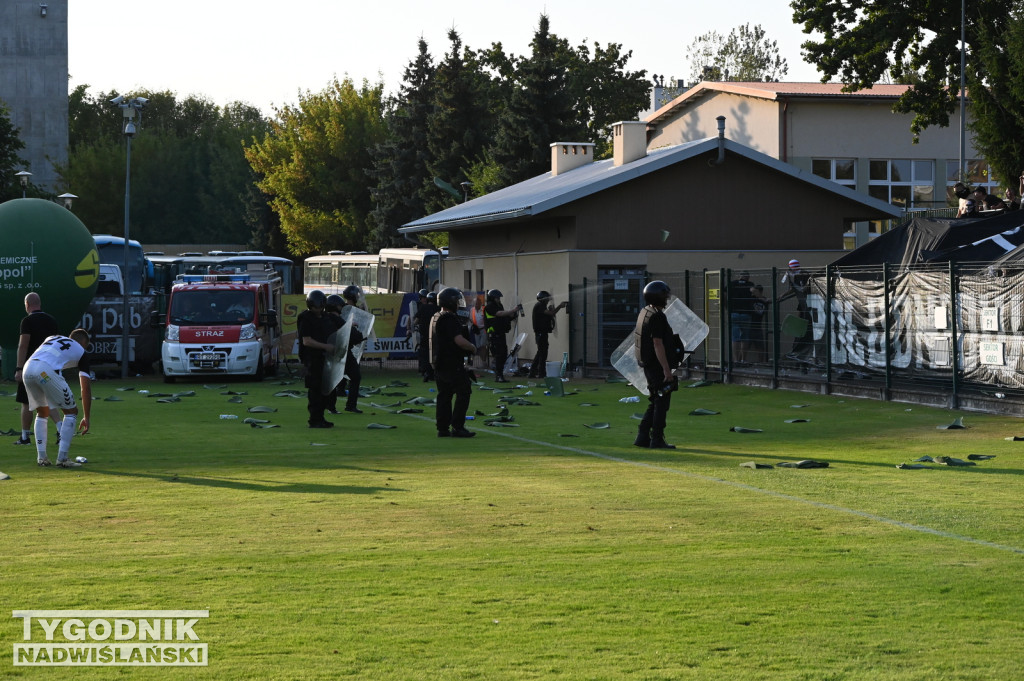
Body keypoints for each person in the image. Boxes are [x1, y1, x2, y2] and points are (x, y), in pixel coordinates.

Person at [22, 329, 93, 467]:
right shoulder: (82, 352)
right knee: (71, 412)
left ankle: (42, 458)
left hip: (28, 368)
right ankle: (62, 459)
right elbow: (85, 388)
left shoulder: (52, 337)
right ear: (83, 343)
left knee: (42, 412)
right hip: (44, 371)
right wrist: (87, 417)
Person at [633, 281, 677, 450]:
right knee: (661, 402)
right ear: (659, 296)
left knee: (656, 399)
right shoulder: (657, 316)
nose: (667, 298)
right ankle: (657, 438)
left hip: (648, 364)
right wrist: (667, 370)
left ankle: (642, 435)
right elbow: (657, 344)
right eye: (665, 295)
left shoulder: (646, 312)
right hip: (656, 366)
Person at [429, 287, 477, 438]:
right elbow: (459, 340)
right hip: (451, 364)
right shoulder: (449, 318)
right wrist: (472, 347)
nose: (458, 304)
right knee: (464, 392)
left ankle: (442, 428)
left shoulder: (436, 316)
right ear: (450, 302)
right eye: (457, 301)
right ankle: (458, 426)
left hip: (439, 364)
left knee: (444, 395)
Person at [13, 292, 59, 446]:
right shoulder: (52, 320)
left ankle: (25, 437)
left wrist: (19, 368)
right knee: (49, 400)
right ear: (40, 303)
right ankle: (61, 430)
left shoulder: (27, 321)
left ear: (27, 304)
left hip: (30, 369)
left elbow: (23, 345)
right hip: (47, 369)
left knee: (26, 402)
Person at [298, 290, 336, 428]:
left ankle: (320, 417)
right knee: (315, 391)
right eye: (316, 307)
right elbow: (306, 341)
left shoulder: (325, 317)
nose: (319, 310)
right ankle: (314, 419)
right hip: (311, 359)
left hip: (324, 359)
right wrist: (326, 347)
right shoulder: (306, 318)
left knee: (324, 390)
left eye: (321, 307)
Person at [483, 289, 522, 382]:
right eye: (497, 298)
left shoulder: (499, 305)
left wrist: (513, 315)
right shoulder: (489, 306)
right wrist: (513, 310)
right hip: (494, 334)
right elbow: (499, 314)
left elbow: (504, 316)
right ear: (492, 298)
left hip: (501, 333)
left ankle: (500, 374)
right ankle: (498, 376)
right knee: (499, 354)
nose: (499, 299)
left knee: (503, 354)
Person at [527, 291, 568, 378]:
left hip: (542, 333)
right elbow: (551, 314)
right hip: (541, 333)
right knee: (543, 353)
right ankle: (541, 373)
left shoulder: (541, 306)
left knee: (540, 353)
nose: (548, 300)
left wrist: (551, 309)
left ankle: (532, 372)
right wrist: (560, 306)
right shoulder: (539, 306)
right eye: (547, 298)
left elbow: (547, 315)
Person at [780, 259, 812, 358]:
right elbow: (795, 289)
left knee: (807, 327)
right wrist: (783, 295)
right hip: (803, 304)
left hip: (808, 303)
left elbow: (800, 288)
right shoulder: (796, 276)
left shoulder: (803, 275)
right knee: (802, 325)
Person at [727, 272, 754, 364]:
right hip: (746, 314)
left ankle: (735, 360)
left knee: (735, 338)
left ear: (739, 276)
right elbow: (753, 292)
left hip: (734, 313)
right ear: (748, 277)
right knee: (745, 337)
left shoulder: (732, 283)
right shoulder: (750, 284)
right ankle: (743, 359)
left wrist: (727, 306)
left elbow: (723, 293)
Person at [414, 290, 437, 382]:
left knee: (425, 355)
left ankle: (427, 372)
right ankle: (435, 372)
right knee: (435, 354)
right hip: (435, 335)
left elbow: (416, 321)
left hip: (425, 335)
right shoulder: (438, 309)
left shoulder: (423, 308)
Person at [469, 295, 488, 368]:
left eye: (477, 303)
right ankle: (479, 362)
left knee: (483, 345)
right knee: (477, 346)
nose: (476, 305)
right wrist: (474, 326)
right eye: (475, 303)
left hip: (483, 330)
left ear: (480, 303)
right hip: (476, 330)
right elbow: (470, 319)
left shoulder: (484, 309)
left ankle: (483, 362)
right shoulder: (472, 310)